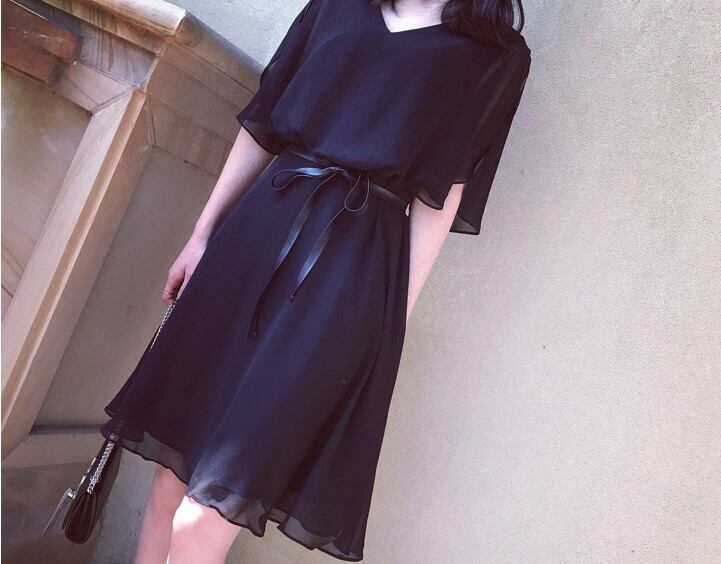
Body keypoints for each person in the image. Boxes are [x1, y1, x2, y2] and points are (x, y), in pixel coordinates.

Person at [100, 0, 532, 562]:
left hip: (348, 276)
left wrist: (390, 323)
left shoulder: (496, 56)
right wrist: (202, 236)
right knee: (171, 480)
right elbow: (263, 124)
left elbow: (442, 196)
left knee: (208, 513)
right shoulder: (337, 6)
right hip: (253, 240)